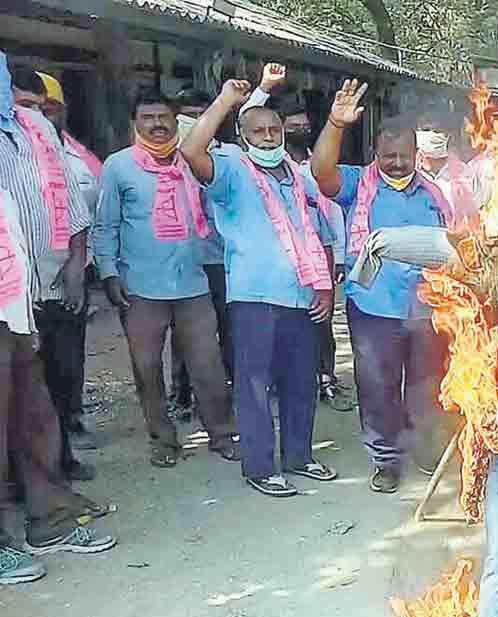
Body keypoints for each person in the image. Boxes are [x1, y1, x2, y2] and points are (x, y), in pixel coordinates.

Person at [180, 79, 338, 497]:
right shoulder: (232, 170)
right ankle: (260, 467)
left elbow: (315, 231)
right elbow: (192, 151)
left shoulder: (297, 175)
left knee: (301, 381)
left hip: (303, 295)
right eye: (258, 131)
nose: (268, 136)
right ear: (243, 136)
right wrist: (224, 102)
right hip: (255, 298)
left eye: (274, 130)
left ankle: (300, 457)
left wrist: (323, 288)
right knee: (254, 385)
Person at [0, 63, 115, 583]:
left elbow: (69, 204)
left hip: (22, 296)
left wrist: (74, 263)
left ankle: (47, 519)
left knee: (35, 412)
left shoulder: (35, 130)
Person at [309, 79, 447, 493]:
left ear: (417, 155)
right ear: (376, 155)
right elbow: (321, 172)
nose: (398, 164)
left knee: (427, 387)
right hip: (374, 309)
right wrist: (336, 123)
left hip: (426, 307)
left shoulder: (434, 194)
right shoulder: (357, 186)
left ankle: (423, 449)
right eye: (389, 156)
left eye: (405, 156)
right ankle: (385, 459)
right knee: (378, 388)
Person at [93, 89, 239, 469]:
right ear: (135, 123)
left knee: (208, 364)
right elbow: (105, 225)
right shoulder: (118, 166)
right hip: (140, 286)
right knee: (147, 367)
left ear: (176, 122)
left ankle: (221, 435)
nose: (157, 125)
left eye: (164, 118)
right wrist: (108, 272)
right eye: (148, 118)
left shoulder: (193, 161)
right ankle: (164, 440)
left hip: (193, 282)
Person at [0, 59, 94, 481]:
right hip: (8, 298)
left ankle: (59, 466)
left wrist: (77, 265)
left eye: (42, 107)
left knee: (58, 381)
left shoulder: (43, 137)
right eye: (22, 104)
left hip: (54, 287)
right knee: (16, 395)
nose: (35, 114)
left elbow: (75, 207)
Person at [248, 64, 354, 412]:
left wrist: (337, 256)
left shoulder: (315, 167)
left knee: (321, 325)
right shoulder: (253, 166)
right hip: (274, 271)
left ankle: (326, 379)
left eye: (303, 124)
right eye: (290, 123)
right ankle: (283, 386)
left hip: (318, 262)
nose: (298, 128)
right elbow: (248, 120)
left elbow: (330, 215)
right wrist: (263, 88)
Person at [34, 72, 101, 453]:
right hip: (24, 282)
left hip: (73, 274)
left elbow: (90, 210)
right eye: (34, 108)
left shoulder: (78, 157)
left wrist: (81, 267)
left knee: (68, 361)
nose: (44, 116)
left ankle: (68, 430)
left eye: (51, 108)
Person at [167, 87, 236, 420]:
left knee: (227, 327)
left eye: (200, 114)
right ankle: (181, 395)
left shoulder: (225, 157)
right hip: (186, 260)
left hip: (223, 260)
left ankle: (228, 391)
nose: (193, 121)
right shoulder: (166, 159)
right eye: (186, 115)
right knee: (185, 332)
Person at [415, 111, 482, 236]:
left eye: (436, 130)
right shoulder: (407, 174)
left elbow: (480, 217)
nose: (430, 134)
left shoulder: (466, 176)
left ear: (447, 136)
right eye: (425, 129)